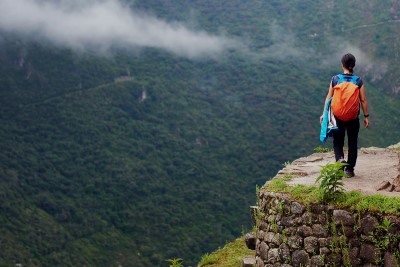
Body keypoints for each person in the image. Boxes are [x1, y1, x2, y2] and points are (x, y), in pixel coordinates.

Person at [320, 53, 369, 177]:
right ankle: (350, 169)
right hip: (353, 117)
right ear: (354, 65)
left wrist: (324, 114)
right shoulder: (358, 81)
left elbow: (328, 97)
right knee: (352, 142)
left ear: (342, 65)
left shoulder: (335, 79)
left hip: (337, 116)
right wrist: (366, 116)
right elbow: (363, 100)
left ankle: (340, 162)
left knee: (338, 142)